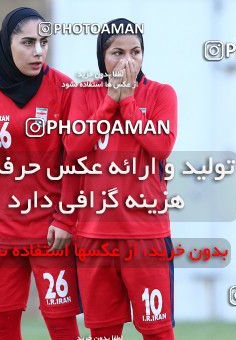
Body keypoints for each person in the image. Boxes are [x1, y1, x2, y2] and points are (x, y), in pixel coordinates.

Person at [0, 7, 80, 340]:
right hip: (0, 227)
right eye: (28, 42)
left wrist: (66, 220)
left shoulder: (65, 89)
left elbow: (77, 162)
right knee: (3, 326)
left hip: (50, 228)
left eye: (43, 42)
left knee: (62, 323)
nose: (38, 51)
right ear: (6, 43)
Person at [64, 18, 178, 340]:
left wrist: (126, 101)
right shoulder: (83, 94)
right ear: (102, 56)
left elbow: (161, 144)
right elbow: (73, 148)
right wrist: (108, 102)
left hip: (146, 236)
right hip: (94, 234)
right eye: (117, 52)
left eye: (136, 51)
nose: (127, 60)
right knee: (104, 333)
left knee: (157, 331)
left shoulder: (161, 94)